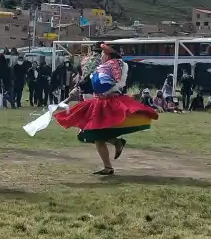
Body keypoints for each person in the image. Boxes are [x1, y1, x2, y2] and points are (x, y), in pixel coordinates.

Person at [54, 43, 159, 175]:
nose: (101, 55)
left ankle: (110, 160)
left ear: (108, 54)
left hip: (105, 102)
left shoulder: (113, 65)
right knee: (93, 133)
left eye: (103, 53)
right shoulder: (112, 65)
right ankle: (115, 147)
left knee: (93, 133)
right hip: (100, 101)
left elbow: (111, 82)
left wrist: (82, 87)